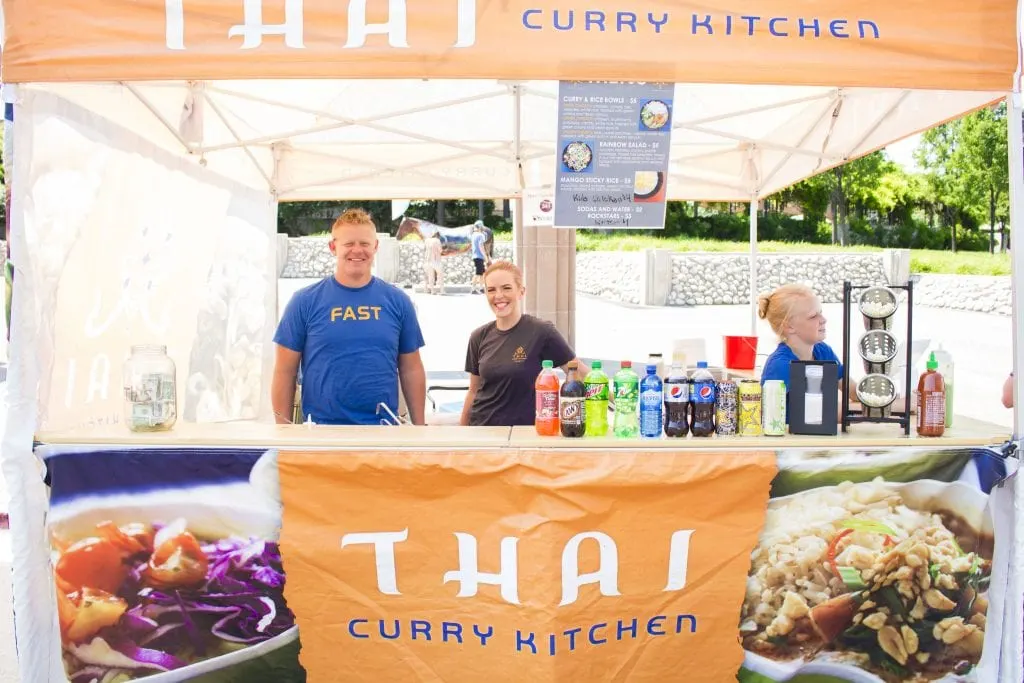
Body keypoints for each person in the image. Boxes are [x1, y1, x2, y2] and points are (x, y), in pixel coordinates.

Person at [272, 208, 427, 425]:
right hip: (321, 432)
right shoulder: (304, 302)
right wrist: (283, 430)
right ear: (333, 247)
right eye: (349, 244)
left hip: (382, 431)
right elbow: (284, 371)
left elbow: (411, 368)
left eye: (364, 243)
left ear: (375, 246)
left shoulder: (398, 301)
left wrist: (420, 427)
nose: (357, 250)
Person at [460, 261, 589, 426]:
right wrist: (462, 432)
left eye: (506, 288)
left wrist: (618, 399)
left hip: (524, 434)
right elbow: (473, 391)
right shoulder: (478, 336)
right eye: (491, 290)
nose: (498, 296)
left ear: (521, 292)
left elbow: (583, 374)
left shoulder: (542, 332)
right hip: (482, 431)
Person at [758, 283, 855, 405]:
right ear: (789, 326)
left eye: (820, 312)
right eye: (813, 316)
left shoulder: (823, 351)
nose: (823, 319)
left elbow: (852, 390)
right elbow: (813, 411)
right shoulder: (779, 366)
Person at [469, 222, 488, 294]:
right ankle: (473, 289)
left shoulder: (473, 235)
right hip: (479, 256)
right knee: (478, 273)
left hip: (475, 256)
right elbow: (481, 246)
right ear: (480, 227)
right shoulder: (480, 235)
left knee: (481, 273)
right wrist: (485, 256)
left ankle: (481, 288)